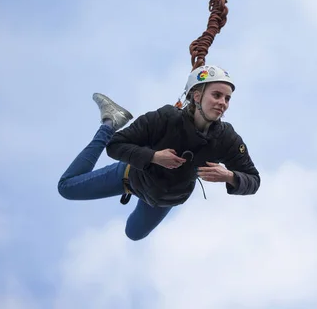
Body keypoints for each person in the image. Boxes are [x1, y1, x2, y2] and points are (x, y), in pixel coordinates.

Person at [57, 64, 260, 241]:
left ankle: (145, 190)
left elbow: (253, 180)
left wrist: (230, 176)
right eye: (216, 95)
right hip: (129, 176)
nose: (223, 102)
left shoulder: (226, 138)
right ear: (197, 96)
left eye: (227, 98)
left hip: (162, 199)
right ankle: (110, 122)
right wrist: (153, 157)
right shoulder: (166, 118)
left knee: (133, 233)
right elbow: (116, 145)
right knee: (66, 188)